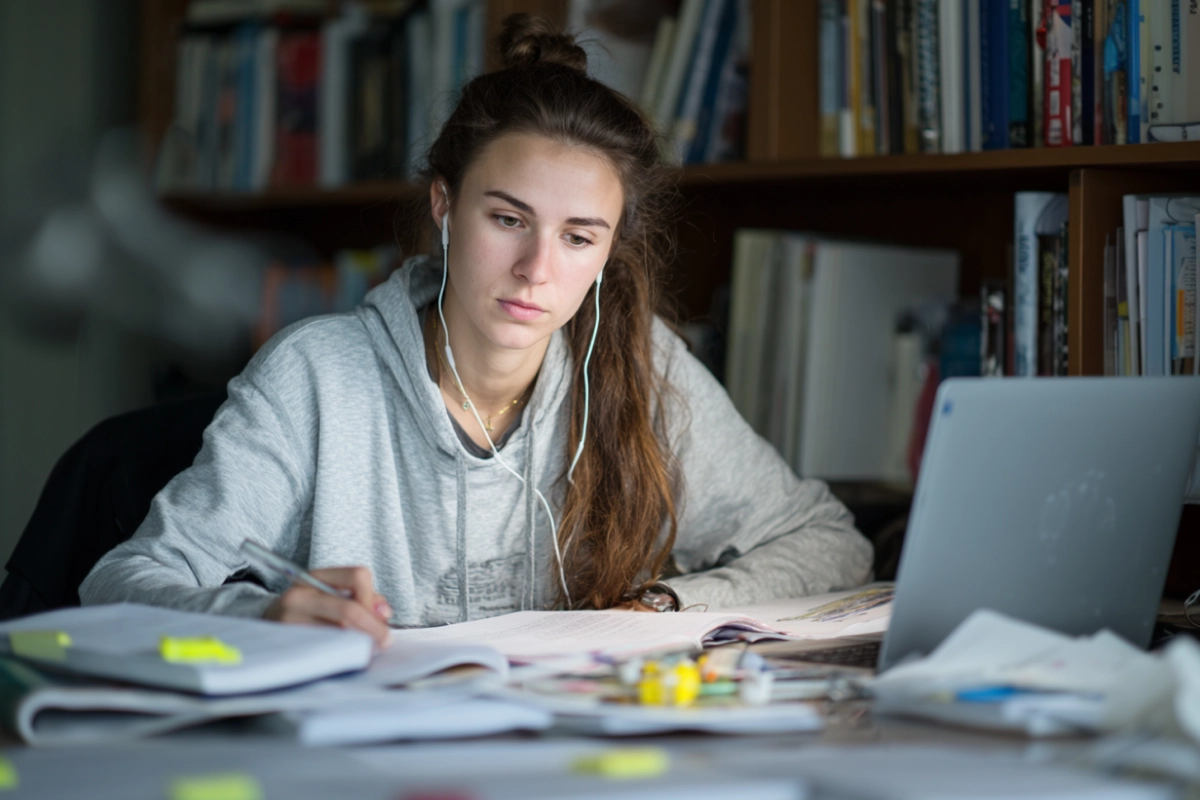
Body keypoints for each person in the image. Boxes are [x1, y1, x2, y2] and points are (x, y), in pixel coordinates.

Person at [80, 15, 872, 646]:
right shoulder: (318, 376)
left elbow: (829, 542)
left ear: (607, 252)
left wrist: (661, 604)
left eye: (579, 236)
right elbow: (123, 581)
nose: (536, 268)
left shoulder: (642, 366)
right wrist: (262, 619)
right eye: (507, 219)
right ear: (444, 207)